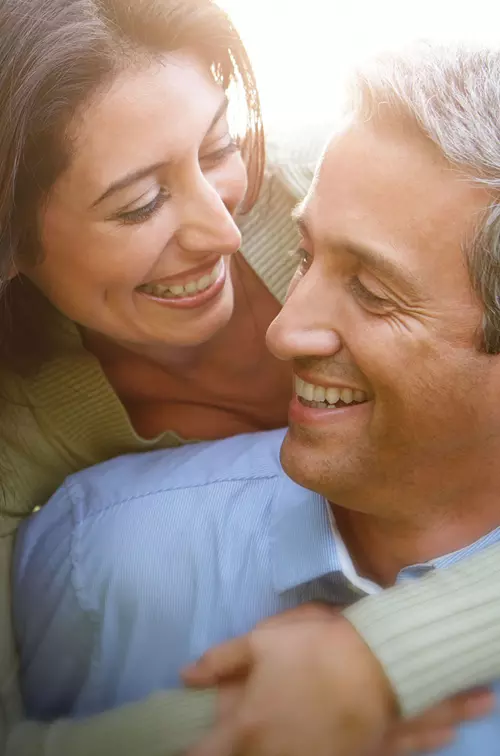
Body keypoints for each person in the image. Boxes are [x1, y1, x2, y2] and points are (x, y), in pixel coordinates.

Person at [1, 0, 500, 750]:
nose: (225, 231)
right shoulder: (33, 447)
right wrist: (248, 724)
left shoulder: (356, 177)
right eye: (140, 204)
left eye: (217, 147)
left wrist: (384, 659)